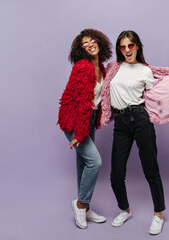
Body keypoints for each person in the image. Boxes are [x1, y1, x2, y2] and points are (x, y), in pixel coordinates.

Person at [100, 30, 169, 235]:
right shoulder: (113, 68)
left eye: (131, 45)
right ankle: (125, 210)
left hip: (140, 120)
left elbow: (156, 91)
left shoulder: (145, 71)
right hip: (120, 123)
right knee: (116, 174)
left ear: (137, 46)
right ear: (119, 50)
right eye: (123, 46)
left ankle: (158, 215)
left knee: (150, 169)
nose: (127, 50)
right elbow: (100, 82)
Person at [57, 29, 112, 229]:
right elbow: (81, 103)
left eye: (91, 40)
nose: (89, 44)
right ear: (81, 51)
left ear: (99, 42)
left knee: (84, 164)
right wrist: (79, 133)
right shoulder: (83, 67)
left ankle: (86, 208)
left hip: (89, 120)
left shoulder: (103, 69)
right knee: (95, 162)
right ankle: (79, 204)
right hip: (74, 121)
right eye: (84, 44)